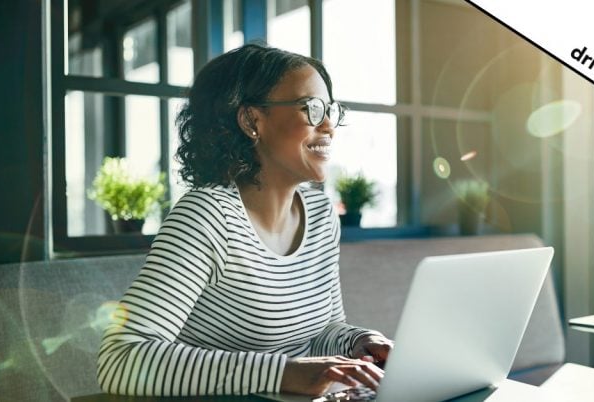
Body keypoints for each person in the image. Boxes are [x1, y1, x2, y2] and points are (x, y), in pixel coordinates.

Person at [96, 43, 393, 397]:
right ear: (252, 121)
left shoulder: (321, 214)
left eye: (330, 110)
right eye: (311, 109)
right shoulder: (206, 217)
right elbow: (121, 358)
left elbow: (321, 331)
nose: (328, 126)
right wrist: (283, 373)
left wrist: (359, 342)